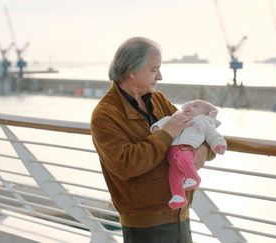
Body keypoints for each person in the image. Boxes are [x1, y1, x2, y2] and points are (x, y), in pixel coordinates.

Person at [90, 37, 215, 243]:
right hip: (146, 225)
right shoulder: (105, 114)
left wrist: (203, 149)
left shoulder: (158, 100)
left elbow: (194, 130)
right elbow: (125, 164)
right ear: (131, 71)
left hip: (179, 213)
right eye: (154, 69)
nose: (160, 76)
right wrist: (166, 133)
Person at [150, 99, 227, 209]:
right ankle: (178, 196)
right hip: (171, 154)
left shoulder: (203, 122)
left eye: (195, 106)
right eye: (189, 104)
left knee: (184, 159)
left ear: (206, 114)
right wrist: (156, 128)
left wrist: (218, 145)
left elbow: (213, 135)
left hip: (186, 149)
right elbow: (164, 121)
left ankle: (194, 178)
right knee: (174, 176)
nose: (189, 107)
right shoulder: (176, 117)